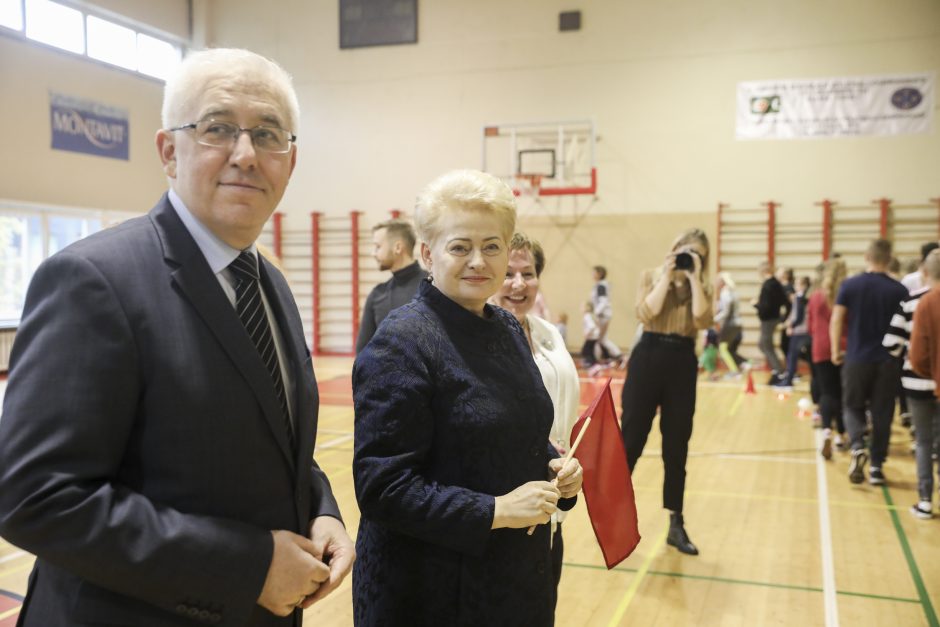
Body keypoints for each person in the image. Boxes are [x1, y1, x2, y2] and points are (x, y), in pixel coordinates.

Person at [0, 49, 354, 625]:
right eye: (217, 128)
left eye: (268, 135)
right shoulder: (94, 281)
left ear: (290, 161)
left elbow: (279, 445)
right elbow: (35, 498)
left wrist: (322, 512)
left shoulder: (271, 285)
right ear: (169, 151)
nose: (245, 155)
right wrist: (248, 566)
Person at [351, 170, 583, 626]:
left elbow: (511, 436)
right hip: (432, 595)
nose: (479, 260)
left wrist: (555, 469)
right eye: (460, 247)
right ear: (427, 254)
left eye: (492, 246)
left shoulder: (506, 328)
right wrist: (495, 511)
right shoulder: (402, 342)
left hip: (512, 583)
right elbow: (383, 488)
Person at [492, 231, 581, 594]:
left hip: (554, 499)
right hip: (507, 506)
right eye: (509, 274)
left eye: (528, 274)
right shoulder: (479, 339)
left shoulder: (548, 333)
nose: (518, 284)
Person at [621, 228, 713, 556]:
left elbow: (703, 320)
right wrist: (667, 275)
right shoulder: (650, 276)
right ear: (673, 249)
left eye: (698, 253)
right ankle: (616, 514)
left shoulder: (702, 287)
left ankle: (676, 522)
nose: (690, 256)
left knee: (676, 446)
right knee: (630, 439)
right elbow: (646, 313)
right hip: (648, 356)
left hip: (682, 362)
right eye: (686, 250)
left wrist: (695, 277)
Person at [830, 238, 909, 485]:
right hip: (888, 362)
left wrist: (835, 350)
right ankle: (876, 466)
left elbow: (837, 319)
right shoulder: (899, 290)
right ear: (889, 259)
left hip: (857, 358)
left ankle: (856, 446)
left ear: (867, 256)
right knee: (883, 413)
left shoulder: (851, 285)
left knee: (852, 406)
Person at [884, 249, 940, 518]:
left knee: (924, 441)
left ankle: (925, 500)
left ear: (924, 273)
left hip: (918, 382)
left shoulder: (912, 302)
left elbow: (892, 344)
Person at [355, 218, 428, 353]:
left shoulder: (433, 286)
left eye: (378, 246)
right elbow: (362, 353)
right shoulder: (377, 294)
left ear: (398, 247)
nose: (373, 253)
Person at [807, 259, 848, 458]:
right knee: (841, 392)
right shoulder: (845, 296)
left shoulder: (815, 297)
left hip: (820, 346)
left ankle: (826, 430)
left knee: (826, 392)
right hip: (842, 345)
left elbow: (811, 325)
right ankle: (841, 433)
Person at [753, 261, 789, 384]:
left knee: (766, 346)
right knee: (763, 345)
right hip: (774, 318)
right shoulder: (776, 284)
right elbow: (784, 300)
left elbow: (766, 306)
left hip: (768, 319)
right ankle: (777, 368)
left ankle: (779, 371)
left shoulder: (767, 285)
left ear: (763, 271)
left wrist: (757, 305)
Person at [778, 276, 812, 389]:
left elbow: (799, 316)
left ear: (804, 286)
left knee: (792, 355)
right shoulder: (804, 297)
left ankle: (788, 380)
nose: (795, 286)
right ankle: (790, 378)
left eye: (798, 284)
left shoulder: (799, 297)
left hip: (800, 331)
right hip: (805, 330)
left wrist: (791, 326)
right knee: (803, 355)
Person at [590, 265, 625, 366]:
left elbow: (603, 301)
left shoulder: (601, 286)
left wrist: (596, 313)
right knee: (601, 339)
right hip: (603, 315)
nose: (592, 274)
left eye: (594, 272)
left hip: (603, 315)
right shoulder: (600, 285)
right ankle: (613, 357)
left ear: (600, 274)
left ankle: (618, 356)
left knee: (600, 338)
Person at [714, 271, 746, 375]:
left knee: (722, 349)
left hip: (730, 324)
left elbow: (725, 312)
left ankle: (734, 370)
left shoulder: (725, 292)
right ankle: (744, 364)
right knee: (730, 349)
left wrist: (714, 319)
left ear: (722, 281)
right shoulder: (733, 291)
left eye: (718, 280)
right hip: (737, 324)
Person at [581, 300, 601, 367]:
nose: (581, 308)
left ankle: (589, 362)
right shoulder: (591, 315)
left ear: (587, 308)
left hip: (592, 336)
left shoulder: (587, 316)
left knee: (585, 350)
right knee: (591, 350)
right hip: (595, 335)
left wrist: (587, 333)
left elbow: (591, 326)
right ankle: (593, 362)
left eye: (582, 307)